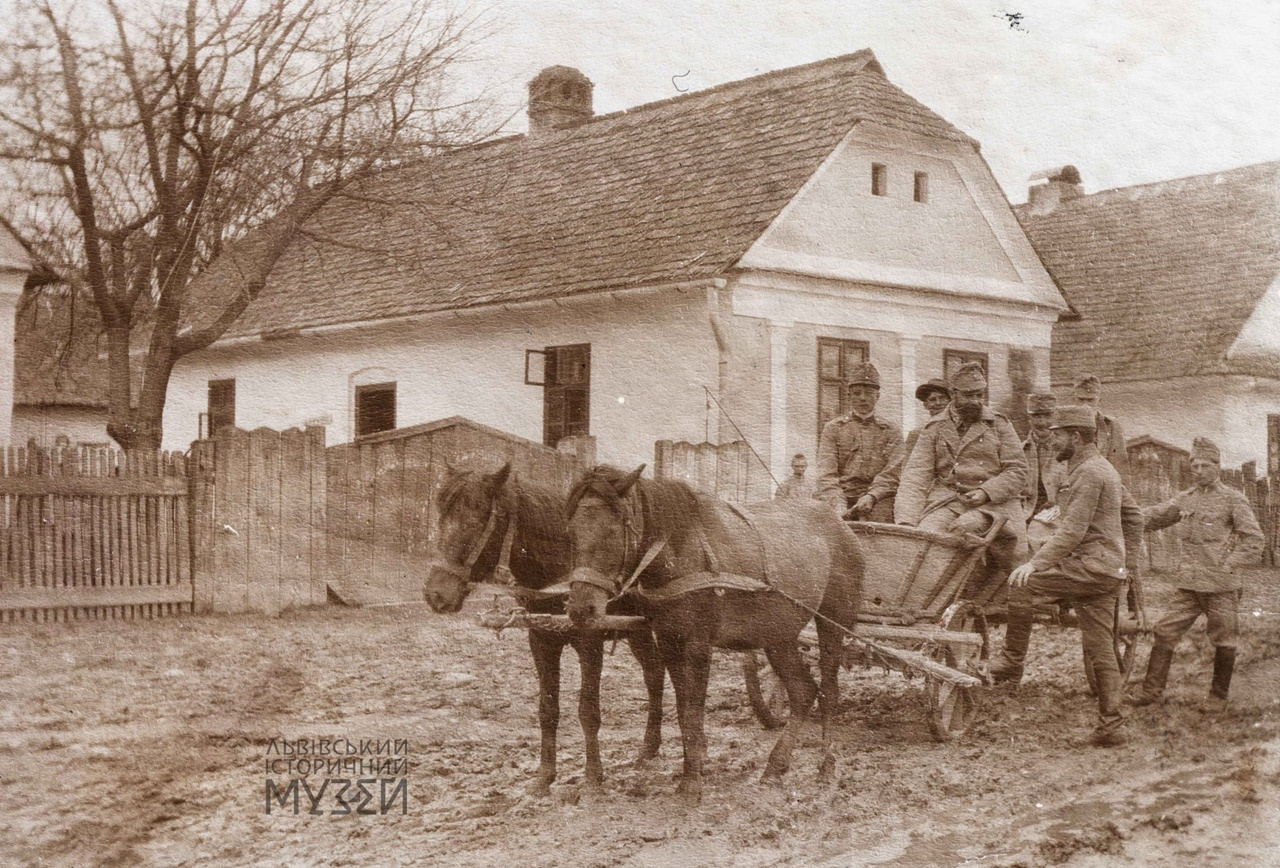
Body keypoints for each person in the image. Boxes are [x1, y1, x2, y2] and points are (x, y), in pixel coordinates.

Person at [991, 404, 1130, 746]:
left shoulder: (1090, 473)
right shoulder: (1095, 468)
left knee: (1020, 584)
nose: (1052, 442)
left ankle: (1011, 662)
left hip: (1088, 568)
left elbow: (1072, 532)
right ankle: (1112, 728)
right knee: (1102, 651)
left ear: (1077, 436)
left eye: (1058, 435)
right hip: (1106, 571)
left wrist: (1033, 564)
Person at [1129, 437, 1264, 711]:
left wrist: (1230, 563)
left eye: (1204, 465)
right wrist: (1124, 516)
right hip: (1188, 586)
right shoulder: (1186, 499)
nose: (1198, 470)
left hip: (1221, 587)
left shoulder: (1233, 500)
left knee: (1224, 640)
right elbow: (1156, 516)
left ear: (1217, 466)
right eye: (1195, 465)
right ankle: (1151, 691)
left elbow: (1254, 539)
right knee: (1164, 631)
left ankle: (1217, 698)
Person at [895, 362, 1028, 600]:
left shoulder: (999, 425)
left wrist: (987, 492)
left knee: (970, 532)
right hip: (950, 500)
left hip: (996, 504)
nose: (975, 401)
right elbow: (915, 475)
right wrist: (906, 521)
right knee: (925, 539)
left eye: (979, 395)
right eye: (968, 395)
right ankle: (928, 605)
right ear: (954, 394)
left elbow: (1017, 470)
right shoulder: (934, 428)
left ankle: (995, 600)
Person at [815, 362, 903, 522]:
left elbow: (892, 474)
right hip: (840, 495)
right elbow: (826, 474)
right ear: (849, 396)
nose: (862, 398)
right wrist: (838, 505)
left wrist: (872, 496)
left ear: (878, 396)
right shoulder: (833, 428)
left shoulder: (891, 430)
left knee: (880, 531)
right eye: (857, 393)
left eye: (869, 393)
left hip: (880, 498)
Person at [852, 378, 951, 519]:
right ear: (926, 405)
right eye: (932, 400)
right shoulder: (917, 434)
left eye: (942, 398)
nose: (938, 403)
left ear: (951, 401)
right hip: (925, 493)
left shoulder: (960, 430)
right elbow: (904, 470)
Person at [1071, 374, 1128, 482]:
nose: (1085, 405)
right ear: (1073, 399)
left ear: (1099, 399)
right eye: (1081, 400)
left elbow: (1120, 466)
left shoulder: (1111, 426)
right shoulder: (1064, 426)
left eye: (1090, 400)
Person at [1021, 393, 1064, 522]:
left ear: (1056, 417)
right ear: (1029, 418)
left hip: (1059, 515)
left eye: (1047, 415)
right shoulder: (1019, 451)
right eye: (1036, 416)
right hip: (1025, 514)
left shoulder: (1067, 450)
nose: (1042, 422)